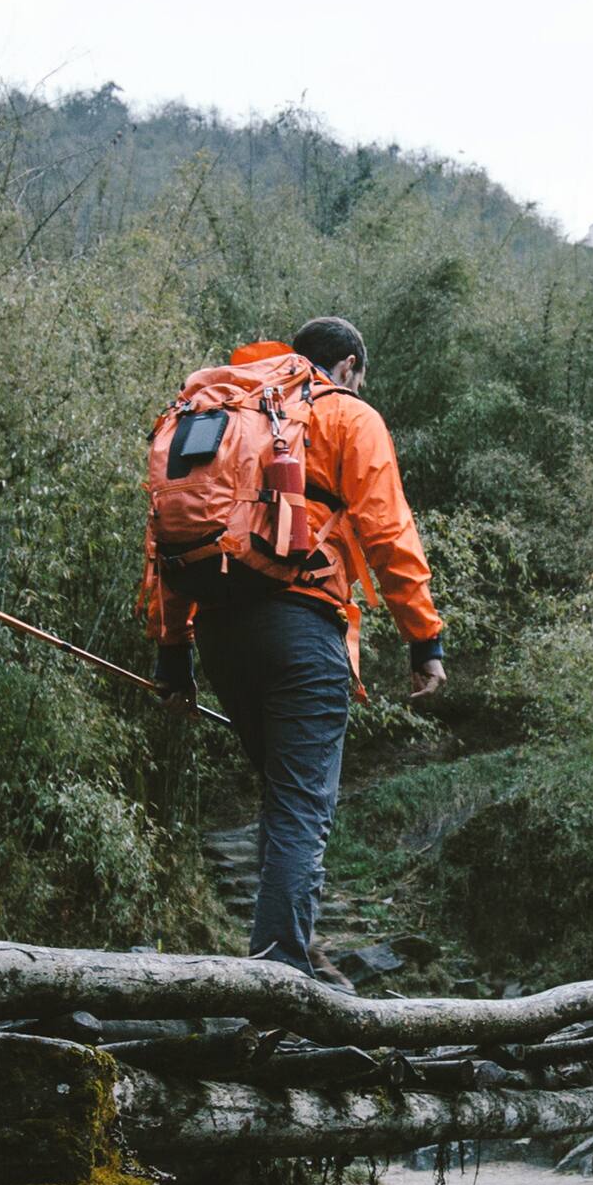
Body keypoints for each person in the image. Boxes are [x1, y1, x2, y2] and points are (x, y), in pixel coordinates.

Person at [148, 316, 443, 969]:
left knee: (287, 800)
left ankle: (287, 955)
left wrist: (174, 654)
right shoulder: (344, 415)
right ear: (345, 366)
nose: (359, 387)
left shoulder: (222, 414)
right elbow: (389, 533)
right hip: (302, 630)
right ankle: (282, 982)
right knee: (301, 811)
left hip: (219, 632)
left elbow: (166, 537)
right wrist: (424, 638)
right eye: (360, 377)